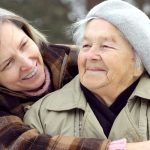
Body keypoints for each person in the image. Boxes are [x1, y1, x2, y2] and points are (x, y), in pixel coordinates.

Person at [24, 0, 150, 149]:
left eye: (105, 46)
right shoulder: (41, 115)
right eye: (86, 45)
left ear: (138, 63)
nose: (91, 55)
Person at [0, 7, 112, 150]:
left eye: (24, 45)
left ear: (29, 34)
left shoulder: (73, 59)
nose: (27, 64)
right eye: (8, 63)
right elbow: (27, 145)